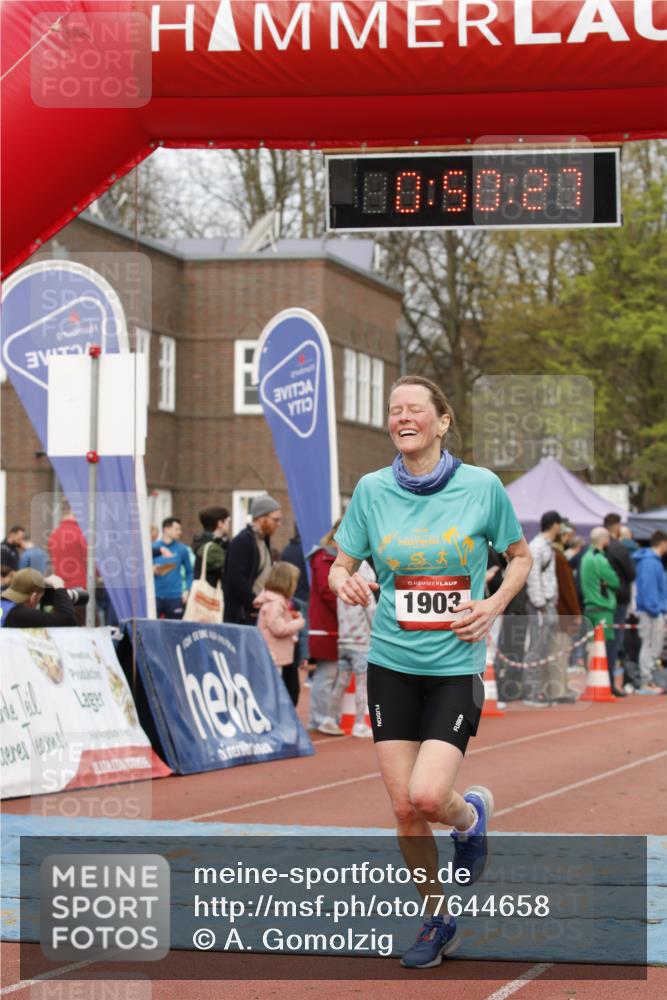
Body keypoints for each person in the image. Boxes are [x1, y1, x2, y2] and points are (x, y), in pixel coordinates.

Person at [329, 375, 531, 969]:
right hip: (391, 662)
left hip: (454, 665)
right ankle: (437, 917)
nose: (402, 417)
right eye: (395, 410)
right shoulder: (371, 490)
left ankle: (469, 817)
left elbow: (519, 557)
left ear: (442, 422)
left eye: (415, 408)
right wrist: (345, 579)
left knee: (427, 795)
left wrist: (492, 605)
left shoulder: (481, 488)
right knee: (402, 808)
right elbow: (343, 564)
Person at [319, 559, 376, 738]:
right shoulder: (365, 592)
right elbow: (372, 613)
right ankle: (360, 723)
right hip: (361, 643)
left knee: (341, 682)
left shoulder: (342, 591)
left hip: (344, 641)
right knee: (362, 684)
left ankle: (328, 717)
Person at [523, 511, 563, 706]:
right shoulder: (537, 546)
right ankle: (532, 691)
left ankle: (540, 689)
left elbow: (549, 577)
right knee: (536, 647)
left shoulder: (547, 546)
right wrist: (540, 603)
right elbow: (533, 576)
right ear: (554, 524)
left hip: (548, 603)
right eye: (560, 523)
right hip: (540, 605)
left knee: (545, 648)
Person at [223, 495, 282, 625]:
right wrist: (253, 601)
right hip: (244, 616)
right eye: (275, 520)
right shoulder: (243, 541)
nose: (279, 524)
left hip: (257, 613)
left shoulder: (262, 540)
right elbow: (235, 578)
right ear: (261, 518)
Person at [580, 527, 624, 697]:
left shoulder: (585, 557)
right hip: (602, 609)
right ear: (604, 540)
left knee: (591, 649)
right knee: (606, 650)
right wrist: (607, 583)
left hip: (590, 607)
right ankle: (607, 685)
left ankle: (593, 683)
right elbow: (614, 580)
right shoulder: (599, 559)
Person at [254, 562, 305, 704]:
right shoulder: (275, 603)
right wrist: (299, 622)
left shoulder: (276, 602)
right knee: (273, 691)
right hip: (274, 655)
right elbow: (278, 629)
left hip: (276, 654)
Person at [307, 521, 340, 732]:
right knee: (326, 675)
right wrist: (350, 609)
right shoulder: (323, 558)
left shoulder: (329, 558)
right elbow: (328, 591)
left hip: (335, 626)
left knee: (332, 675)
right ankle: (319, 718)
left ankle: (324, 717)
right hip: (326, 626)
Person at [603, 513, 636, 687]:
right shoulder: (618, 548)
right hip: (618, 599)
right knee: (614, 642)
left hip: (600, 600)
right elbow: (631, 574)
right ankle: (609, 681)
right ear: (616, 526)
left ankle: (605, 680)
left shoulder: (594, 550)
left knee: (603, 642)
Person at [633, 530, 667, 693]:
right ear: (663, 543)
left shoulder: (653, 562)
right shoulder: (650, 563)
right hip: (651, 611)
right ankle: (646, 680)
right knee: (650, 645)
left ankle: (649, 678)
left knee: (654, 645)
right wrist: (655, 609)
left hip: (653, 609)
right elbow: (648, 587)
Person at [1, 568, 77, 627]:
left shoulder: (5, 606)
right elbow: (68, 620)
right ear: (33, 597)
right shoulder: (20, 615)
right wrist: (59, 587)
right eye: (40, 597)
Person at [152, 516, 193, 619]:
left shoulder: (182, 549)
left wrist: (187, 590)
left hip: (175, 597)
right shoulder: (153, 548)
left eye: (180, 529)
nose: (180, 532)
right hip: (155, 596)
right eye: (177, 529)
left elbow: (189, 572)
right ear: (166, 529)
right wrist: (152, 570)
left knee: (174, 630)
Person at [192, 506, 230, 588]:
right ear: (220, 523)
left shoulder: (215, 542)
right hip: (211, 595)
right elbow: (231, 568)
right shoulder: (211, 547)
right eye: (227, 522)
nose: (229, 525)